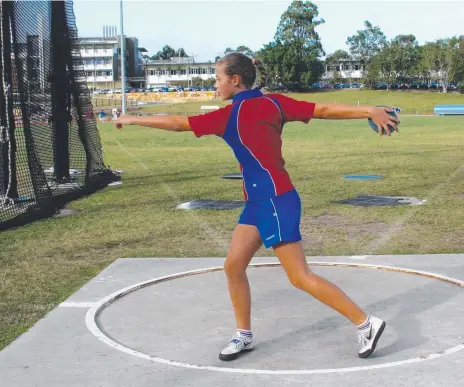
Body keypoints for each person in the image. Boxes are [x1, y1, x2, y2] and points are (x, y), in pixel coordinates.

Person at [115, 53, 399, 362]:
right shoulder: (273, 103)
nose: (215, 84)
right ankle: (244, 335)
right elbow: (325, 109)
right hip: (259, 202)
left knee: (299, 276)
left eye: (218, 79)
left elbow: (177, 123)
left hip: (274, 200)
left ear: (235, 80)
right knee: (233, 265)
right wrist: (369, 110)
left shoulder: (231, 115)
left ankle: (365, 323)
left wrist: (132, 118)